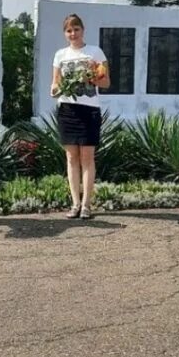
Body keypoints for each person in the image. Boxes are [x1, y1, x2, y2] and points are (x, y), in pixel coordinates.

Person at [50, 14, 110, 219]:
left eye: (76, 29)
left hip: (89, 109)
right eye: (68, 30)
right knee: (71, 157)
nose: (72, 33)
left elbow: (106, 83)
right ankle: (75, 203)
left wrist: (91, 77)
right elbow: (55, 83)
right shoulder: (60, 55)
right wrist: (55, 89)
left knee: (87, 157)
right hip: (67, 110)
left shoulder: (95, 52)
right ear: (65, 34)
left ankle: (86, 205)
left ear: (82, 30)